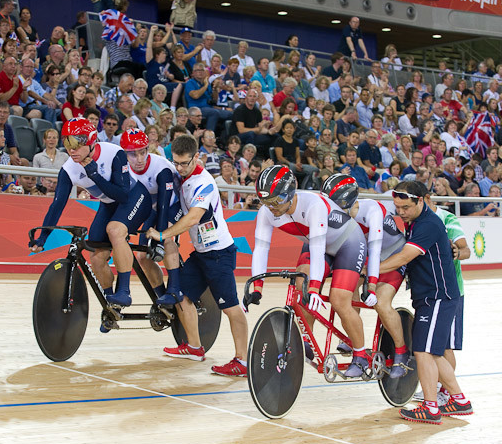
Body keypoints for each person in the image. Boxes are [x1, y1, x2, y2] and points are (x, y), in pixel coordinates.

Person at [247, 166, 368, 376]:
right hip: (316, 243)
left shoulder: (313, 205)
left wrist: (315, 288)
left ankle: (361, 355)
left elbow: (319, 248)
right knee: (300, 284)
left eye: (276, 201)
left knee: (339, 299)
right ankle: (306, 341)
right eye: (266, 202)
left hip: (348, 243)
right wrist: (256, 286)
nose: (271, 207)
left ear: (291, 192)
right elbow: (260, 248)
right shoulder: (267, 212)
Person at [144, 134, 249, 376]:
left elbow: (192, 218)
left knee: (231, 308)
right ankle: (194, 347)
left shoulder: (205, 183)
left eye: (185, 163)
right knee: (179, 293)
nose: (179, 169)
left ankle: (242, 361)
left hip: (220, 254)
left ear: (197, 157)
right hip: (201, 253)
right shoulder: (180, 173)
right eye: (176, 163)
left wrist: (162, 235)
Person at [30, 119, 152, 307]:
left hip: (135, 198)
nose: (72, 151)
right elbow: (57, 205)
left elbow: (123, 195)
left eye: (77, 145)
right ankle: (111, 305)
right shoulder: (69, 169)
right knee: (96, 256)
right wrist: (43, 236)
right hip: (109, 204)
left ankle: (124, 291)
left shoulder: (113, 153)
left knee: (115, 230)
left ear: (91, 141)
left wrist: (94, 174)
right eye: (67, 144)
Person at [380, 181, 473, 424]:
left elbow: (404, 256)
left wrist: (369, 271)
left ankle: (431, 407)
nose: (401, 213)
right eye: (398, 207)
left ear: (421, 201)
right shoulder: (415, 221)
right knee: (432, 352)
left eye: (406, 207)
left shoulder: (429, 224)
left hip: (437, 297)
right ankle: (459, 400)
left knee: (422, 351)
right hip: (431, 297)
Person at [322, 174, 410, 378]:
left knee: (380, 303)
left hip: (392, 256)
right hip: (368, 258)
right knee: (344, 296)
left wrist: (371, 285)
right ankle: (355, 341)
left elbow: (376, 248)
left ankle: (401, 351)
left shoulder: (372, 211)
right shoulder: (337, 215)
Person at [121, 129, 183, 306]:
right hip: (153, 208)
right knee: (142, 257)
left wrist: (160, 239)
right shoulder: (123, 169)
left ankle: (175, 288)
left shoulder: (161, 167)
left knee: (167, 237)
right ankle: (161, 297)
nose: (139, 159)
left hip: (174, 204)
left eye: (143, 152)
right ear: (124, 153)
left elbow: (164, 206)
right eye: (133, 154)